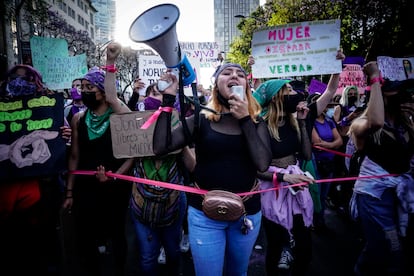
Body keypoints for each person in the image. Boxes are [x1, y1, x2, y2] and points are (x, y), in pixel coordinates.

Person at [152, 63, 272, 276]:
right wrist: (168, 100)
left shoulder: (256, 122)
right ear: (216, 84)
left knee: (238, 272)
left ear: (246, 85)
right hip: (204, 216)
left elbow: (262, 163)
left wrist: (244, 119)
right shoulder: (201, 119)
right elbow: (160, 147)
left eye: (240, 75)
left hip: (246, 215)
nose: (234, 76)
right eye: (227, 73)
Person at [63, 44, 133, 275]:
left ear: (102, 91)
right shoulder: (78, 119)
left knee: (116, 232)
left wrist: (116, 178)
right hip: (86, 187)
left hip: (115, 186)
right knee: (86, 235)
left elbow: (132, 153)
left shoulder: (118, 113)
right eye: (81, 87)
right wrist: (70, 192)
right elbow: (74, 155)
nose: (83, 91)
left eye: (89, 86)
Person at [0, 64, 71, 276]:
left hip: (41, 198)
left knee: (42, 251)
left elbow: (61, 149)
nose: (21, 83)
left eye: (28, 79)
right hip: (5, 200)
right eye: (15, 78)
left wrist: (64, 137)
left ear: (37, 82)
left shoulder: (50, 109)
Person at [348, 61, 414, 275]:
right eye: (400, 94)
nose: (407, 99)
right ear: (385, 95)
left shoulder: (406, 125)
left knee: (384, 245)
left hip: (398, 195)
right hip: (373, 197)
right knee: (390, 247)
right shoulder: (362, 123)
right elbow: (375, 121)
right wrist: (374, 78)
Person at [128, 78, 193, 275]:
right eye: (152, 93)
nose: (153, 99)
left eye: (160, 94)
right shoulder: (136, 126)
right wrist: (111, 64)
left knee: (173, 251)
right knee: (148, 256)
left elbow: (192, 166)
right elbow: (114, 100)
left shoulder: (181, 125)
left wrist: (180, 143)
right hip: (141, 199)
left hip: (172, 200)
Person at [253, 79, 315, 275]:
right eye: (288, 90)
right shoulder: (261, 125)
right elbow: (256, 168)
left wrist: (303, 123)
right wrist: (283, 178)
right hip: (272, 189)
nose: (294, 93)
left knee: (304, 246)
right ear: (276, 97)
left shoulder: (294, 120)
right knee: (276, 244)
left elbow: (306, 155)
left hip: (296, 187)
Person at [310, 94, 343, 232]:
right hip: (316, 163)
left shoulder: (329, 121)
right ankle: (312, 222)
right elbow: (317, 143)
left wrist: (327, 145)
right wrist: (333, 144)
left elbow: (340, 141)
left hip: (329, 163)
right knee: (315, 195)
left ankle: (320, 221)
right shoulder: (310, 121)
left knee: (323, 195)